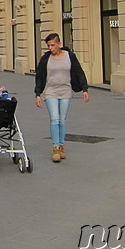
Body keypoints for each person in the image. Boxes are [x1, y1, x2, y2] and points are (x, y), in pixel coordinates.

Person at [34, 32, 90, 162]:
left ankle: (61, 145)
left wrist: (84, 89)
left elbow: (78, 71)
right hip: (51, 92)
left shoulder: (69, 56)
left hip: (65, 91)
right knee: (55, 118)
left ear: (59, 44)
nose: (50, 48)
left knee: (62, 120)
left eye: (52, 45)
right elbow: (39, 77)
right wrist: (38, 94)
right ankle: (55, 147)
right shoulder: (45, 59)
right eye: (48, 45)